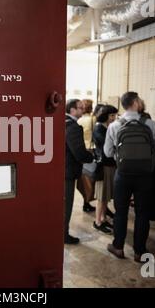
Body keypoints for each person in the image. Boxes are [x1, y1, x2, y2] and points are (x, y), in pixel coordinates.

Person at [104, 92, 155, 262]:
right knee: (142, 213)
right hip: (145, 175)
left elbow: (107, 152)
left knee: (120, 212)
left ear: (123, 105)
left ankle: (118, 247)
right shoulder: (150, 124)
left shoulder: (114, 125)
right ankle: (139, 251)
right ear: (137, 103)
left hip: (122, 174)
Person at [65, 99, 94, 244]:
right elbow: (79, 153)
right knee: (67, 204)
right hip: (68, 172)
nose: (83, 110)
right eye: (80, 108)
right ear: (72, 110)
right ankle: (63, 234)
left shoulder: (59, 122)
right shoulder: (73, 127)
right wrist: (91, 156)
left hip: (59, 169)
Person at [92, 105, 118, 234]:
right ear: (106, 115)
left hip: (110, 165)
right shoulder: (99, 129)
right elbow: (107, 148)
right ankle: (97, 221)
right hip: (104, 167)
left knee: (106, 196)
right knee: (101, 197)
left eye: (115, 115)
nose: (114, 118)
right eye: (112, 115)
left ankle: (102, 218)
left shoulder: (106, 128)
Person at [77, 99, 97, 212]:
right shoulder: (93, 119)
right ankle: (88, 202)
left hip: (82, 149)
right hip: (91, 150)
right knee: (92, 178)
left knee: (84, 179)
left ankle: (86, 202)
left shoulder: (79, 120)